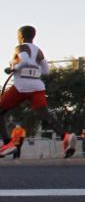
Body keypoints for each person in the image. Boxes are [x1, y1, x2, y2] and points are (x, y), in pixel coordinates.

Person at [0, 26, 76, 159]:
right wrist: (33, 71)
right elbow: (46, 71)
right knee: (45, 115)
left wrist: (13, 68)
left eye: (18, 36)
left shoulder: (20, 47)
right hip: (37, 85)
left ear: (21, 36)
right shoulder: (39, 51)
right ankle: (66, 136)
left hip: (22, 85)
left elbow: (26, 61)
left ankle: (8, 144)